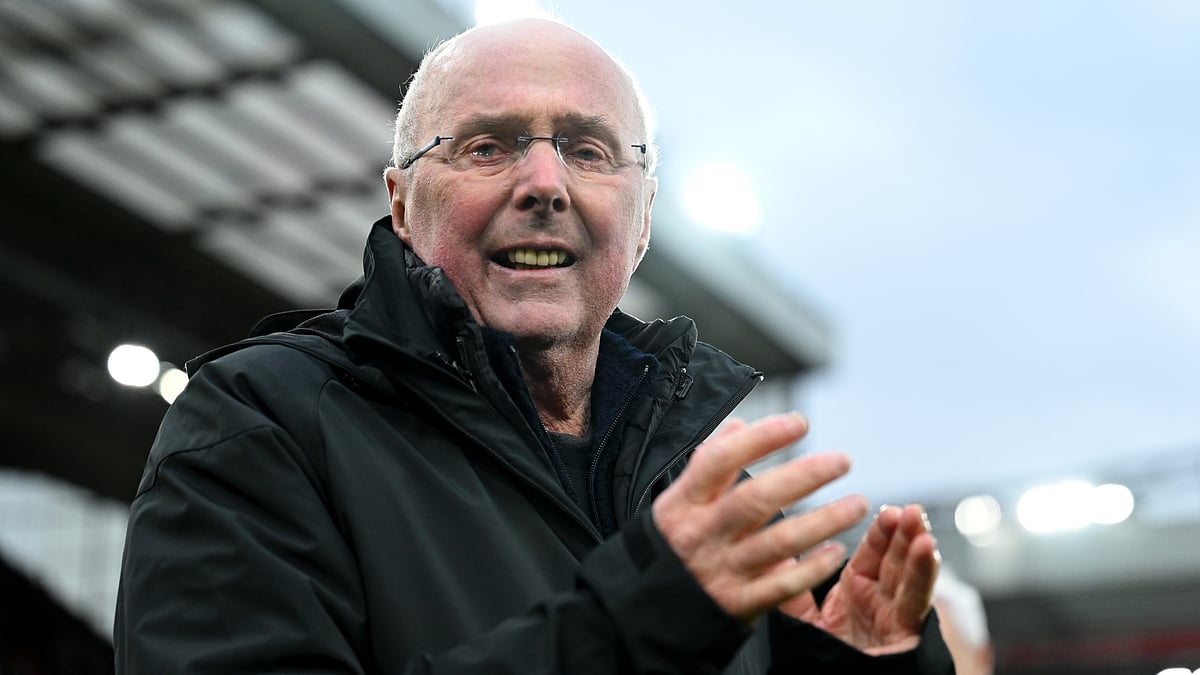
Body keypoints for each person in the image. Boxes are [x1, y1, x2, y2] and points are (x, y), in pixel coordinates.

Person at [115, 17, 954, 674]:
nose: (545, 184)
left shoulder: (702, 485)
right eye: (489, 145)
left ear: (645, 220)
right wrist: (637, 628)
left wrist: (848, 668)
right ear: (403, 206)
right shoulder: (260, 426)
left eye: (588, 151)